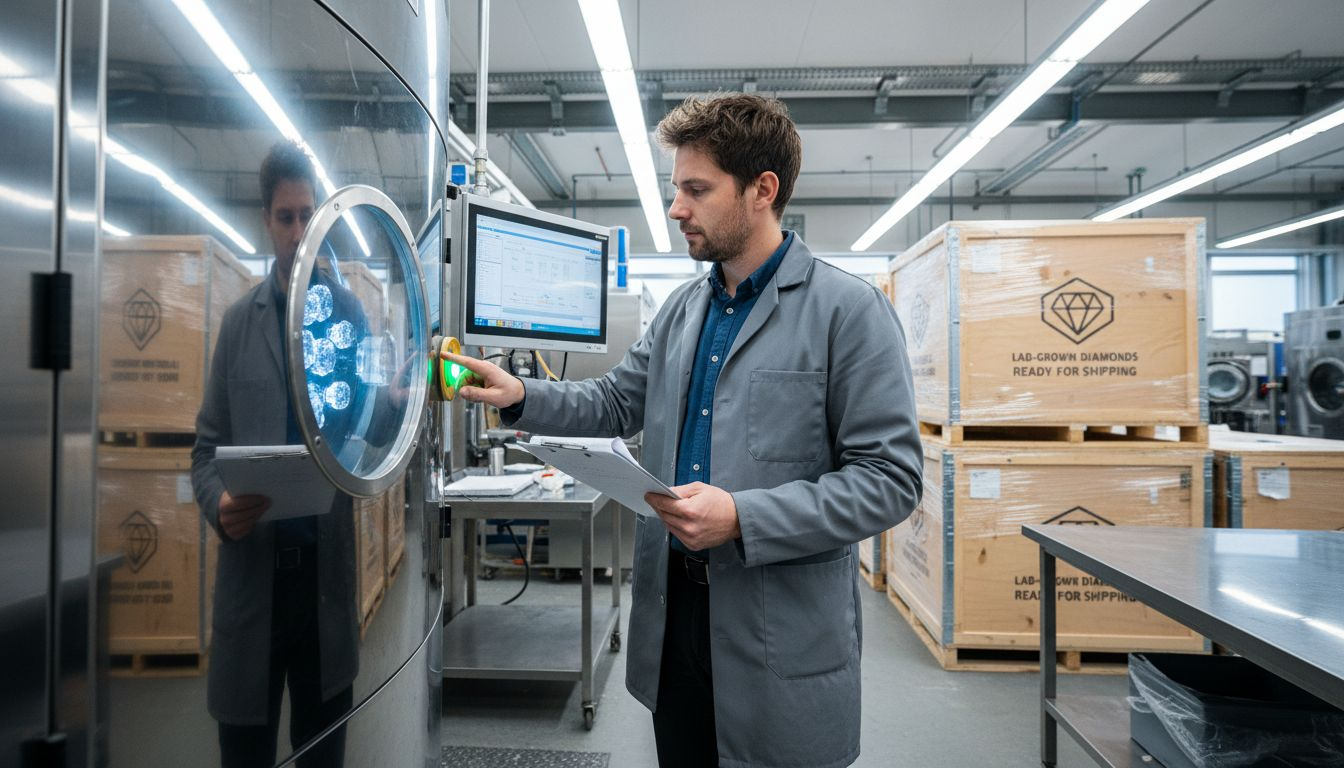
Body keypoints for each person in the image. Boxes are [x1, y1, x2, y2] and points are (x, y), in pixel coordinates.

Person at [446, 94, 923, 768]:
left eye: (696, 190)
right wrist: (522, 395)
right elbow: (614, 403)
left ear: (763, 191)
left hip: (777, 628)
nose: (676, 209)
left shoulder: (849, 313)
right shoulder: (682, 310)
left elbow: (890, 481)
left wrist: (742, 517)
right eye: (677, 189)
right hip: (676, 625)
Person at [191, 141, 359, 767]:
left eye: (308, 216)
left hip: (324, 583)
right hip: (254, 578)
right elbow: (204, 450)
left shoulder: (346, 317)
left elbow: (363, 432)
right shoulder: (239, 325)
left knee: (323, 751)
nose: (297, 231)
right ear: (267, 220)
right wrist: (218, 504)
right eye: (286, 217)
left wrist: (390, 404)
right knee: (246, 752)